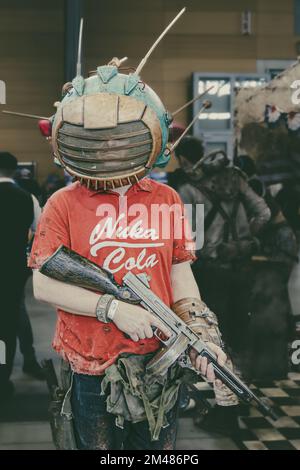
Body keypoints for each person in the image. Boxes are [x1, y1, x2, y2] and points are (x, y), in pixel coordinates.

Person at [28, 53, 229, 450]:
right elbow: (44, 285)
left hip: (157, 358)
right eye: (100, 139)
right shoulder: (62, 203)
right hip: (90, 364)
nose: (109, 148)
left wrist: (202, 335)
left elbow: (178, 272)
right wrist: (113, 308)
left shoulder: (166, 198)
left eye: (121, 138)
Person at [174, 137, 271, 434]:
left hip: (211, 274)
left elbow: (194, 241)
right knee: (239, 340)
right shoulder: (236, 179)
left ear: (183, 159)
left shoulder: (189, 189)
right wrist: (243, 242)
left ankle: (226, 412)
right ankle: (236, 402)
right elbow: (263, 213)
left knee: (216, 343)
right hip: (242, 269)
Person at [0, 152, 34, 400]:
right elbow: (37, 232)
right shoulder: (27, 198)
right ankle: (3, 378)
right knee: (7, 327)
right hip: (13, 271)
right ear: (14, 170)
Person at [14, 169, 44, 380]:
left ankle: (2, 362)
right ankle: (29, 359)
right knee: (17, 310)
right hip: (14, 265)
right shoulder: (27, 198)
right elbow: (40, 229)